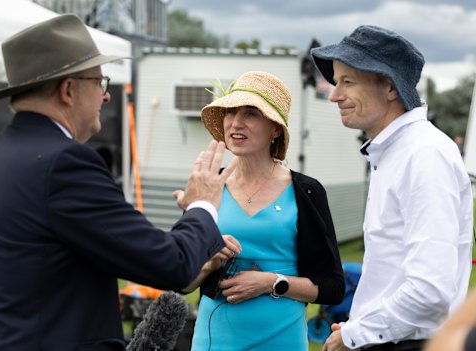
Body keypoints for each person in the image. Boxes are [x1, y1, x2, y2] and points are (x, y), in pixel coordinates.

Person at [0, 14, 238, 350]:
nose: (106, 97)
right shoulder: (64, 163)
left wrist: (196, 256)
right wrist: (202, 205)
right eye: (100, 83)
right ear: (69, 90)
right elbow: (169, 264)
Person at [311, 25, 473, 351]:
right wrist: (359, 325)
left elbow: (429, 289)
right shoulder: (399, 152)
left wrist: (355, 334)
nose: (334, 95)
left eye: (347, 81)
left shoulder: (424, 154)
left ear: (389, 87)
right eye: (336, 81)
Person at [179, 70, 345, 350]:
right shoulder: (209, 184)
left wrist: (271, 282)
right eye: (230, 113)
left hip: (281, 340)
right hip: (213, 340)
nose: (235, 123)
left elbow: (333, 287)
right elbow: (180, 280)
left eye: (251, 114)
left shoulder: (306, 192)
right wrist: (209, 263)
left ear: (276, 129)